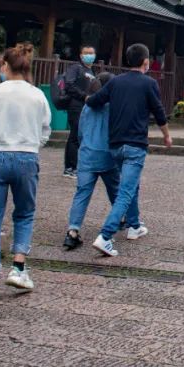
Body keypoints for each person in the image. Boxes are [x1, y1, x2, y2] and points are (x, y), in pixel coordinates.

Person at [0, 43, 51, 304]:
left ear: (5, 65)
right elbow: (46, 130)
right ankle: (19, 267)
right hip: (27, 157)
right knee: (24, 213)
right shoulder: (37, 94)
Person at [86, 43, 172, 257]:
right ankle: (105, 236)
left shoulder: (115, 82)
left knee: (130, 185)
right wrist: (166, 134)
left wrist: (85, 98)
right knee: (125, 191)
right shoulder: (149, 83)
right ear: (146, 62)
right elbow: (159, 111)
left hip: (115, 145)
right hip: (135, 144)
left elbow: (95, 101)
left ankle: (134, 225)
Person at [62, 72, 142, 250]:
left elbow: (80, 132)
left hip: (86, 156)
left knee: (82, 194)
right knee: (115, 191)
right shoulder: (113, 106)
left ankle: (73, 231)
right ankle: (122, 219)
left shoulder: (87, 106)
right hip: (107, 155)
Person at [61, 44, 96, 178]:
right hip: (76, 106)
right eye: (86, 53)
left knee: (81, 137)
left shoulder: (91, 71)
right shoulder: (76, 68)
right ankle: (70, 167)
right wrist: (83, 96)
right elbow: (69, 84)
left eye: (91, 53)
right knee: (74, 136)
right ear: (81, 56)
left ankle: (77, 165)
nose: (89, 55)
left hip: (86, 107)